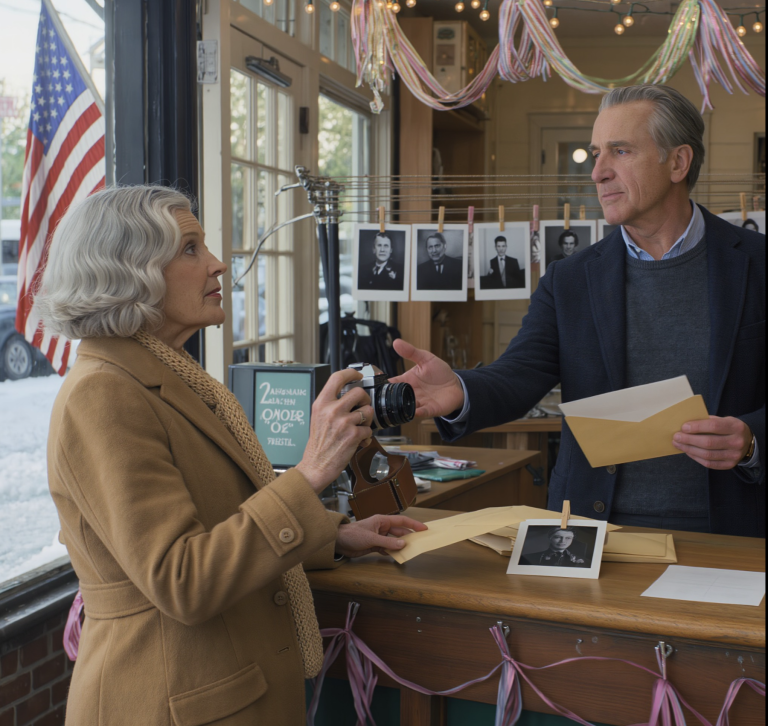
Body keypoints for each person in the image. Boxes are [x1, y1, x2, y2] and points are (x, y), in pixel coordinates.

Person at [36, 185, 427, 726]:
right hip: (167, 702)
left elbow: (218, 517)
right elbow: (182, 579)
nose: (218, 264)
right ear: (131, 271)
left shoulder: (168, 374)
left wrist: (330, 535)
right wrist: (311, 472)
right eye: (191, 248)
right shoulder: (103, 395)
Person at [392, 85, 765, 538]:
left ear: (678, 163)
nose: (598, 172)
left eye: (620, 151)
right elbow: (520, 373)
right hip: (592, 532)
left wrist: (750, 439)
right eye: (595, 154)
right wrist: (460, 389)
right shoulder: (569, 279)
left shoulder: (758, 264)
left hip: (733, 531)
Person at [520, 527, 588, 567]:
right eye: (557, 537)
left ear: (572, 539)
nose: (563, 541)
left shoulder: (585, 561)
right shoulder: (528, 558)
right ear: (550, 537)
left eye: (568, 538)